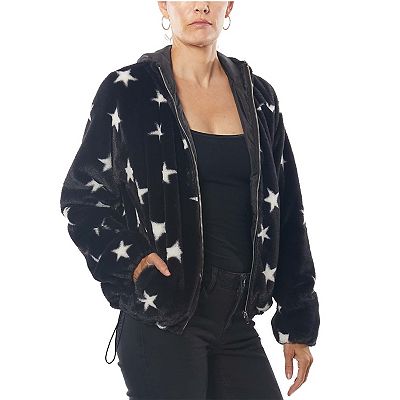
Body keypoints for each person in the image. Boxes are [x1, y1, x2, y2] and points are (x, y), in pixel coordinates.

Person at [60, 1, 320, 399]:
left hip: (236, 320)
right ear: (165, 5)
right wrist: (133, 264)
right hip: (164, 318)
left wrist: (296, 322)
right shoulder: (128, 90)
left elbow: (287, 211)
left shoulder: (258, 96)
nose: (200, 5)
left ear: (228, 5)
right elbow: (83, 198)